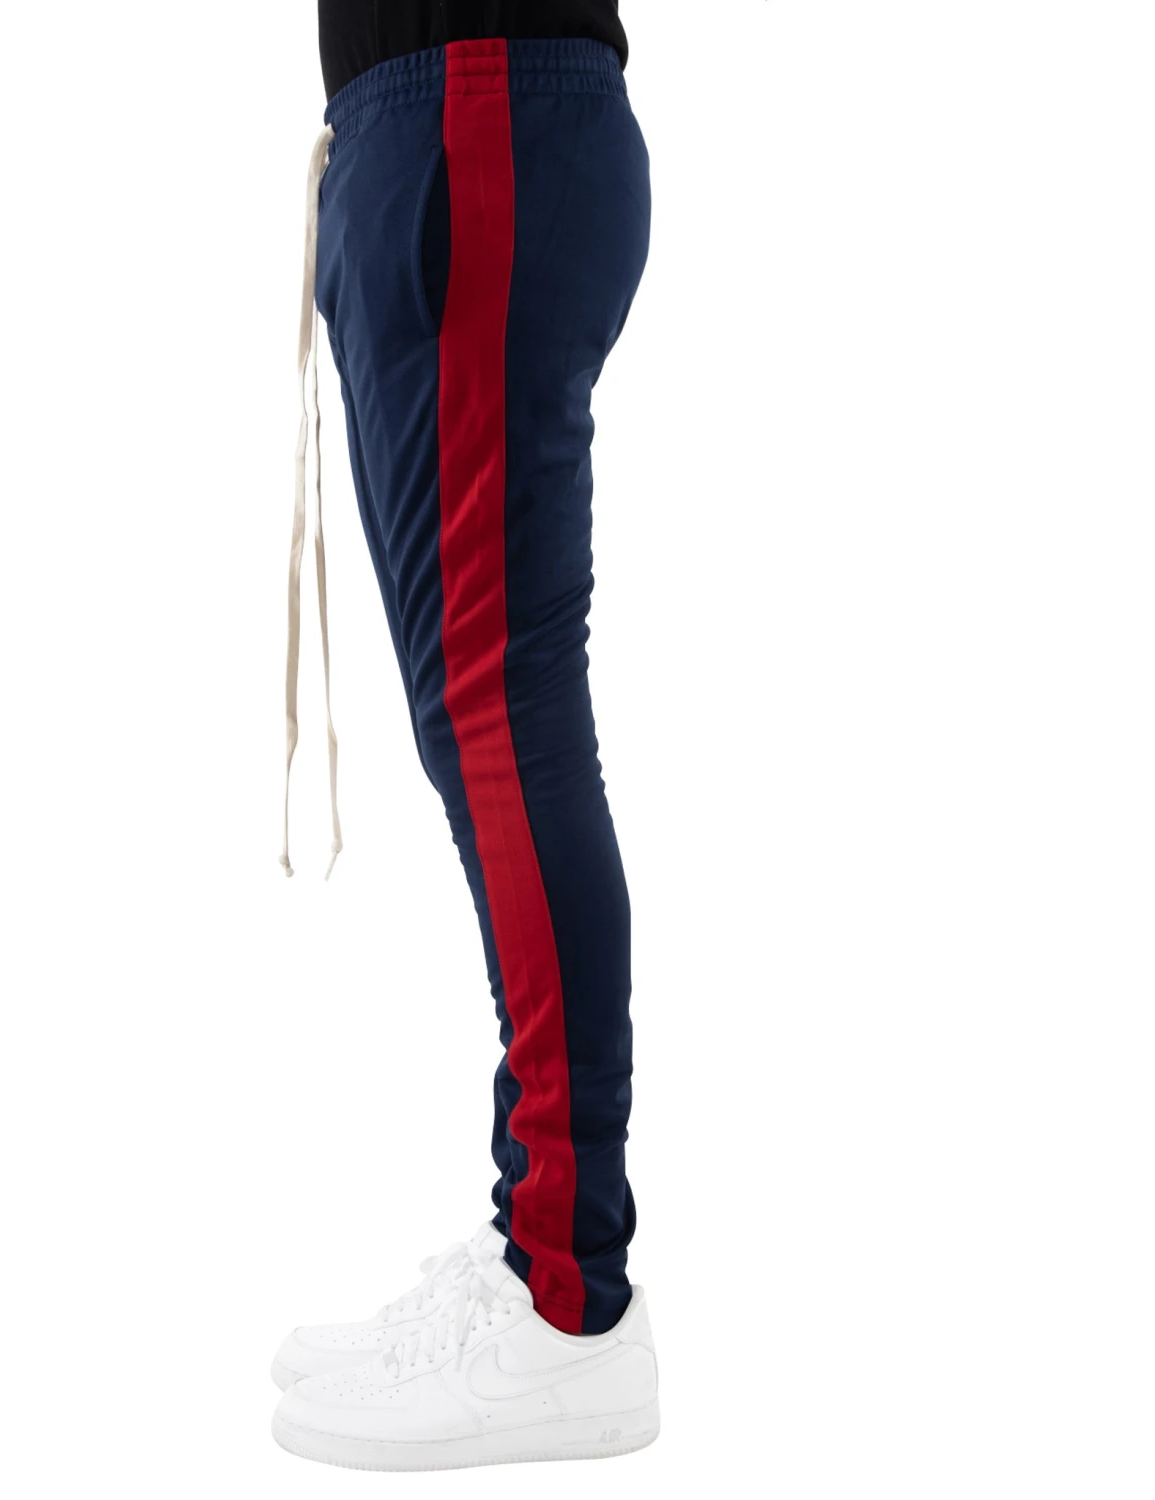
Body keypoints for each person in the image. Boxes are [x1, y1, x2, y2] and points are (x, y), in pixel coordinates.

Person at [273, 2, 657, 1469]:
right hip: (444, 113)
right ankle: (541, 1249)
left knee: (502, 715)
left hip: (471, 106)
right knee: (484, 718)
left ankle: (566, 1296)